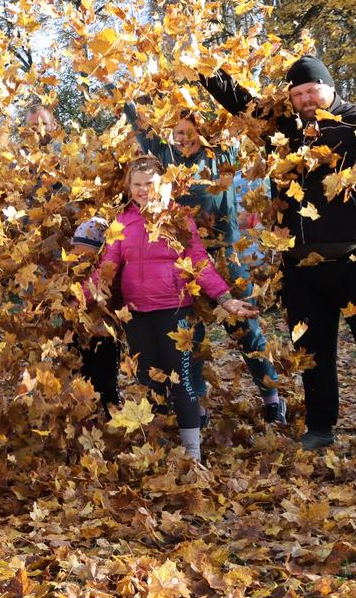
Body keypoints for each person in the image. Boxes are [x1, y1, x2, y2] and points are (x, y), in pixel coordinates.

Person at [199, 54, 356, 453]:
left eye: (313, 90)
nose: (307, 98)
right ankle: (321, 426)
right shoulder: (282, 129)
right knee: (312, 351)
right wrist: (200, 68)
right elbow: (240, 102)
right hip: (301, 266)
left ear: (330, 87)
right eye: (299, 93)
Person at [126, 105, 287, 425]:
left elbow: (237, 117)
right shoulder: (166, 157)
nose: (182, 138)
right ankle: (196, 406)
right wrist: (131, 97)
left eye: (188, 131)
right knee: (190, 335)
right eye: (176, 133)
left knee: (246, 329)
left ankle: (271, 398)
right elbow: (141, 127)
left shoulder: (220, 154)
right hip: (184, 259)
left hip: (225, 254)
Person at [90, 157, 258, 461]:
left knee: (180, 379)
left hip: (174, 309)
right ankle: (153, 448)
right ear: (129, 187)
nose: (143, 190)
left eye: (149, 184)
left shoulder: (178, 218)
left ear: (161, 186)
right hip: (137, 314)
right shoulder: (122, 221)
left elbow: (199, 261)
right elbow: (107, 267)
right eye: (137, 184)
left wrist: (225, 298)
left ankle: (192, 451)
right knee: (147, 380)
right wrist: (80, 298)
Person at [71, 216, 120, 412]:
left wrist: (78, 301)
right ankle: (82, 411)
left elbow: (98, 290)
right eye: (76, 250)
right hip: (78, 333)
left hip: (104, 335)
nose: (79, 256)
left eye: (86, 252)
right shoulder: (71, 272)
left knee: (105, 379)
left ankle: (110, 411)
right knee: (79, 373)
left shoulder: (107, 274)